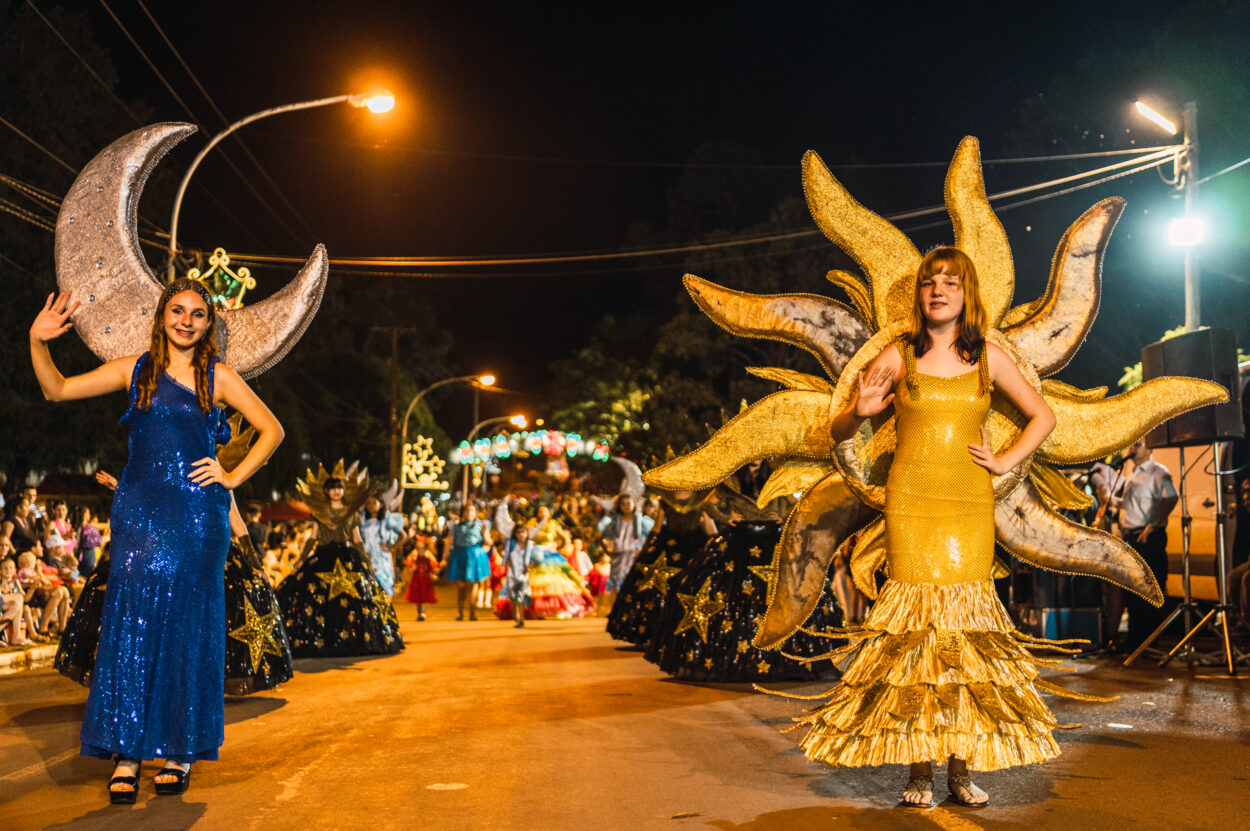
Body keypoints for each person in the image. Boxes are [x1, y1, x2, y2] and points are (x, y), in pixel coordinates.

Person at [808, 247, 1057, 807]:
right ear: (919, 295)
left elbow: (1043, 416)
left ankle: (961, 772)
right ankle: (919, 773)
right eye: (929, 282)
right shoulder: (899, 356)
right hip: (912, 505)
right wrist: (859, 413)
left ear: (967, 294)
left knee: (962, 637)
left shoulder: (989, 356)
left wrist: (1007, 459)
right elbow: (838, 428)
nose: (938, 290)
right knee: (917, 636)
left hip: (967, 505)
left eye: (950, 282)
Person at [29, 283, 284, 802]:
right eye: (177, 311)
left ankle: (180, 751)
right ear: (162, 315)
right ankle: (127, 752)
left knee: (188, 632)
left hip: (197, 524)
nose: (186, 321)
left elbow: (272, 430)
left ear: (209, 324)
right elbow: (56, 390)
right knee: (131, 629)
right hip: (139, 519)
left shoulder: (221, 378)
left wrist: (231, 476)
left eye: (197, 314)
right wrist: (38, 342)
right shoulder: (133, 370)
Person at [277, 470, 404, 657]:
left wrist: (366, 561)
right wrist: (301, 559)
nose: (336, 491)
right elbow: (312, 538)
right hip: (322, 557)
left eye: (339, 488)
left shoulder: (352, 513)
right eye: (333, 488)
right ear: (327, 492)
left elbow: (357, 539)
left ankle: (350, 639)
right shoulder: (319, 513)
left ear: (343, 491)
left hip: (347, 558)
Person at [1110, 438, 1178, 652]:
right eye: (1131, 445)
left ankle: (1147, 643)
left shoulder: (1158, 472)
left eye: (1137, 444)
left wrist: (1153, 524)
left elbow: (1172, 497)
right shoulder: (1133, 473)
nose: (1132, 448)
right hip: (1131, 537)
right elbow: (1134, 505)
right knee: (1133, 592)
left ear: (1150, 448)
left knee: (1147, 591)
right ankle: (1135, 642)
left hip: (1147, 538)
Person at [597, 494, 655, 597]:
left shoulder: (641, 520)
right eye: (623, 504)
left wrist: (643, 549)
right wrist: (608, 549)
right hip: (618, 555)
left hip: (634, 556)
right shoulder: (615, 520)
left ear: (634, 504)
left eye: (628, 503)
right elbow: (604, 536)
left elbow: (651, 535)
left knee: (631, 580)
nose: (626, 506)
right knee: (618, 580)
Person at [442, 504, 491, 620]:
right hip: (460, 555)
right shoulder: (456, 525)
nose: (469, 512)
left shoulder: (481, 525)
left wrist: (485, 541)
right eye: (467, 510)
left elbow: (488, 542)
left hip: (474, 556)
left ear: (476, 512)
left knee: (473, 584)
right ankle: (460, 612)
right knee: (461, 586)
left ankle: (472, 612)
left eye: (472, 510)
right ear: (462, 512)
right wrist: (444, 557)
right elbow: (449, 542)